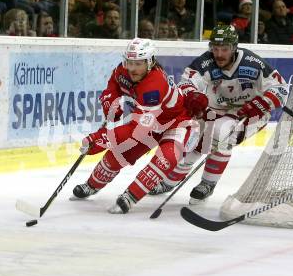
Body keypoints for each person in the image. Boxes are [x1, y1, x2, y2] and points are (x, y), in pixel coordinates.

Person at [149, 25, 289, 204]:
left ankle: (208, 183)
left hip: (252, 113)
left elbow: (281, 88)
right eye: (215, 49)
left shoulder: (252, 62)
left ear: (234, 47)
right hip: (219, 109)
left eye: (225, 49)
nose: (220, 54)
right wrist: (194, 96)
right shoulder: (206, 62)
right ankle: (170, 181)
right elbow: (186, 82)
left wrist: (263, 103)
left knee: (222, 135)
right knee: (195, 139)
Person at [70, 38, 202, 214]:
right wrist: (110, 100)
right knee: (119, 153)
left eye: (138, 63)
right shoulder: (123, 69)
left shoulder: (154, 86)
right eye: (130, 62)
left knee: (165, 159)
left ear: (150, 62)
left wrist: (102, 138)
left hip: (177, 124)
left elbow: (137, 130)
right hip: (151, 123)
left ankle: (130, 196)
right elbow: (114, 84)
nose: (132, 68)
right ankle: (91, 185)